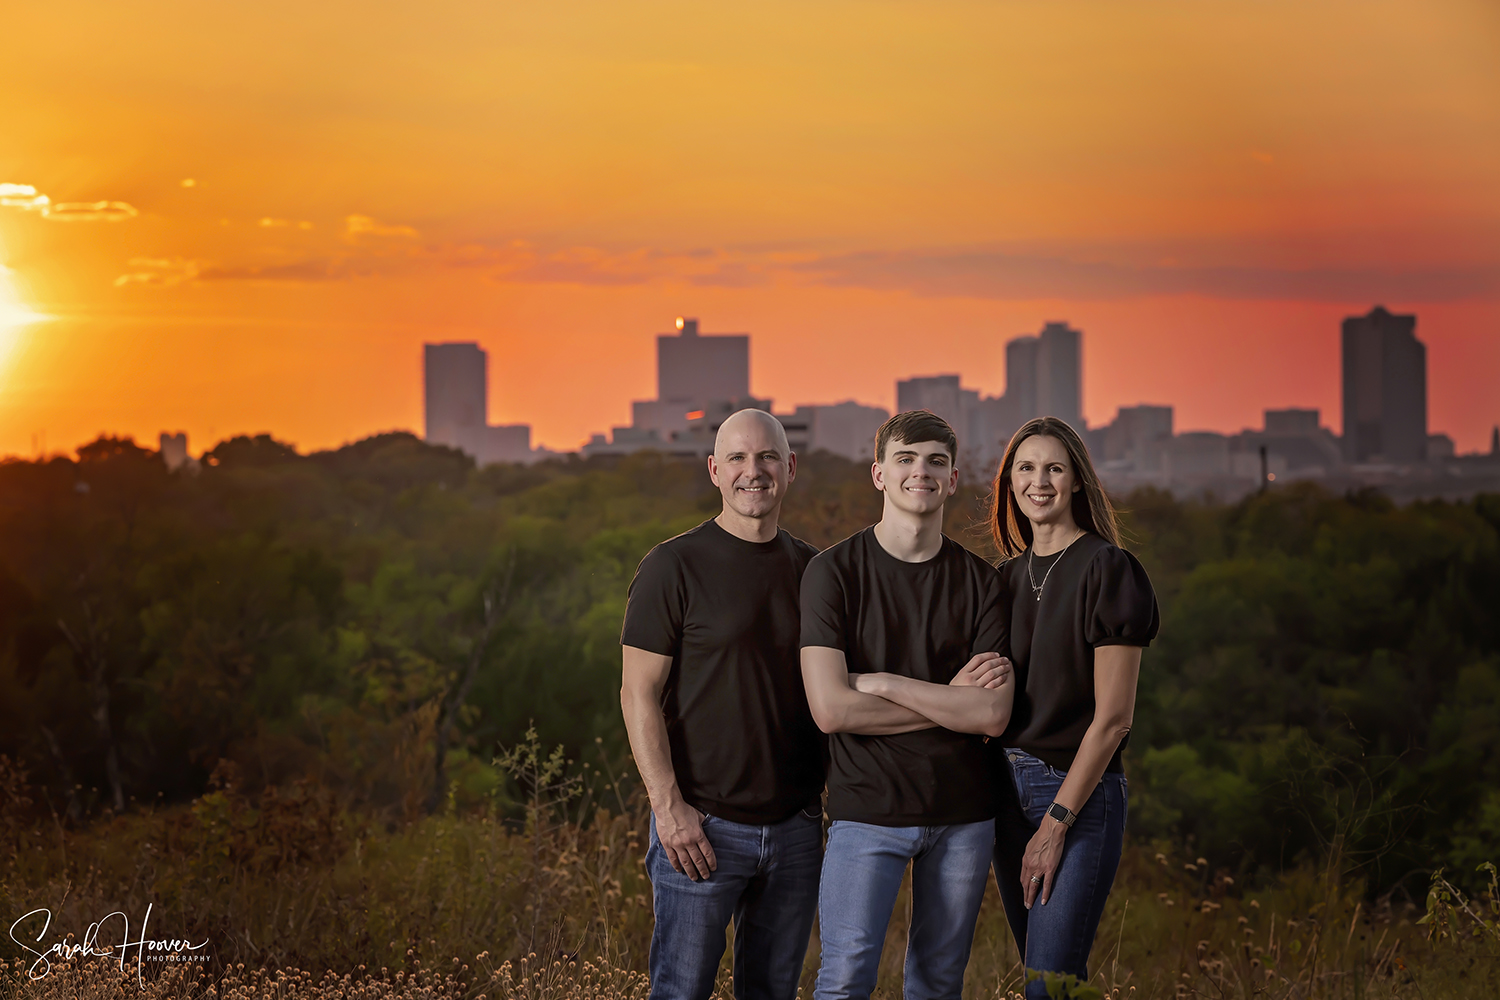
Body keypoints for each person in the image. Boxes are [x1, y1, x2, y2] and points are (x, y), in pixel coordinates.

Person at [800, 409, 1015, 1000]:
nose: (921, 472)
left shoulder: (983, 584)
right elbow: (832, 711)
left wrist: (887, 683)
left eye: (936, 462)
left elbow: (992, 716)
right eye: (906, 459)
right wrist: (952, 701)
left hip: (964, 815)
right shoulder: (832, 574)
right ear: (879, 474)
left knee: (938, 984)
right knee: (845, 979)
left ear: (951, 480)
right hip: (866, 809)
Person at [620, 408, 826, 1000]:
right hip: (702, 831)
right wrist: (669, 809)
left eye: (766, 458)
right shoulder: (672, 566)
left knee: (772, 992)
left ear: (789, 468)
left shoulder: (815, 571)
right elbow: (638, 693)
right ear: (715, 470)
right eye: (737, 458)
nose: (752, 471)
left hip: (796, 830)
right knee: (681, 991)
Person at [986, 417, 1159, 999]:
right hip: (1005, 797)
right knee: (1039, 971)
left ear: (1078, 481)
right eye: (1026, 469)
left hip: (1078, 798)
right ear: (1010, 484)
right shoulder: (1002, 579)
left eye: (1054, 468)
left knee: (1049, 984)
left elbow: (1114, 719)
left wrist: (1057, 822)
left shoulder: (1109, 571)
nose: (1040, 482)